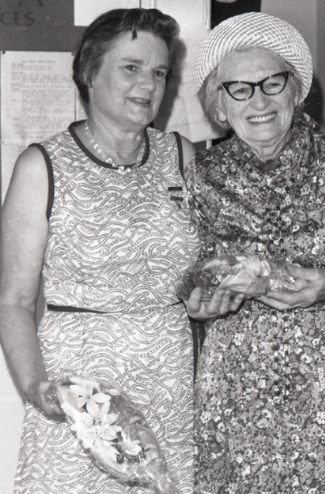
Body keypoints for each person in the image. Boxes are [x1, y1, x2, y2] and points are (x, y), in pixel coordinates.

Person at [0, 9, 199, 493]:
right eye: (131, 68)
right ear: (90, 73)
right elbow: (14, 302)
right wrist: (34, 388)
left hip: (170, 380)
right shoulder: (41, 166)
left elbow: (201, 275)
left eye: (159, 72)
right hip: (81, 393)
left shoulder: (181, 155)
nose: (148, 85)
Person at [184, 12, 325, 492]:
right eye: (239, 89)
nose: (259, 100)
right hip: (237, 388)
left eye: (272, 83)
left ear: (296, 90)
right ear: (219, 106)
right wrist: (197, 301)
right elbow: (189, 278)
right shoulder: (202, 177)